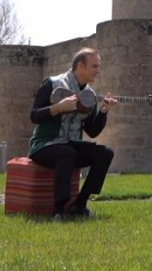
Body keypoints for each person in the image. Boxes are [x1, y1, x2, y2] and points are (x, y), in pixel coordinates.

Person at [28, 47, 118, 221]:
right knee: (66, 152)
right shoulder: (52, 84)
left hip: (70, 147)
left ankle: (80, 204)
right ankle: (59, 210)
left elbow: (92, 131)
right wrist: (58, 108)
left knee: (105, 153)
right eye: (94, 66)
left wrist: (104, 111)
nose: (98, 71)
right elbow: (34, 116)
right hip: (44, 146)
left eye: (98, 66)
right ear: (80, 66)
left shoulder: (89, 95)